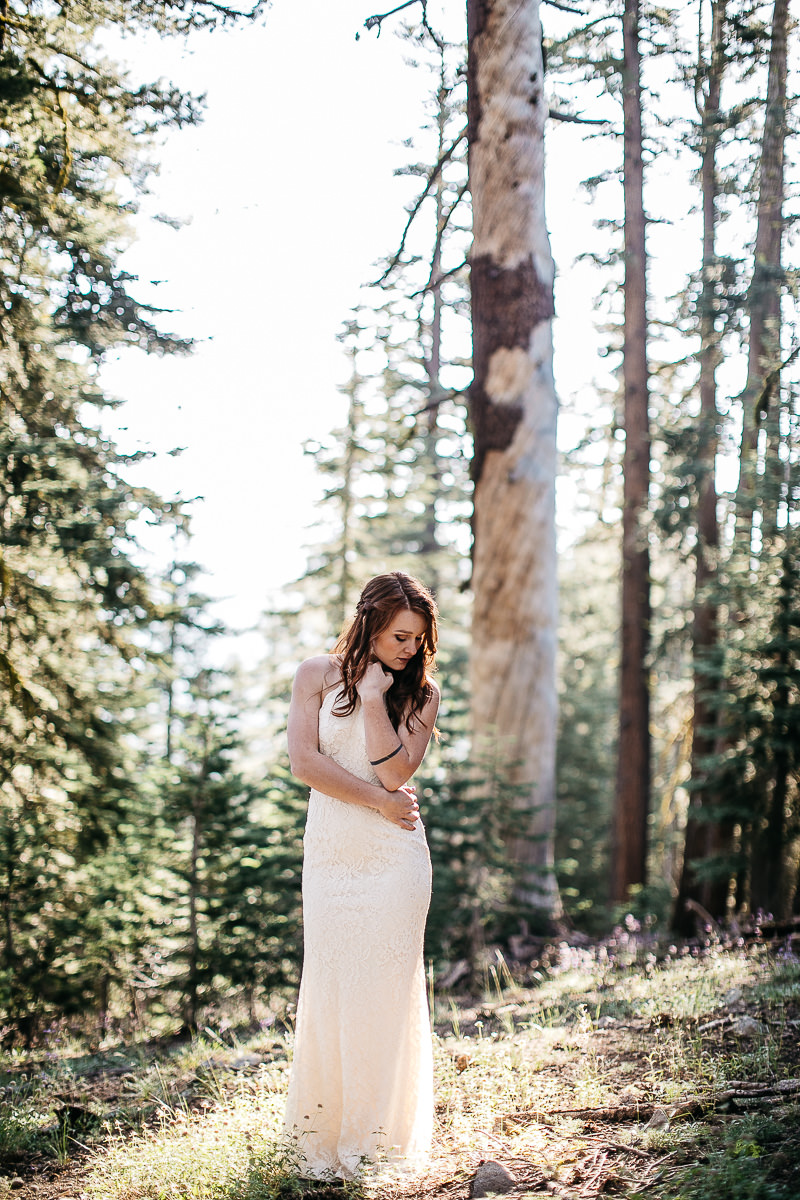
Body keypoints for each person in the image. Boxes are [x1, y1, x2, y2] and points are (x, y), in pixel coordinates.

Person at [282, 571, 440, 1180]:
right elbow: (305, 763)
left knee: (384, 991)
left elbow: (395, 775)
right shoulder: (314, 675)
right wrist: (375, 802)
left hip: (394, 862)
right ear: (370, 622)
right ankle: (323, 1137)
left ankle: (378, 1142)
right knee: (331, 983)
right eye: (400, 636)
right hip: (331, 855)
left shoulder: (420, 695)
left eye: (417, 640)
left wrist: (375, 698)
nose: (409, 650)